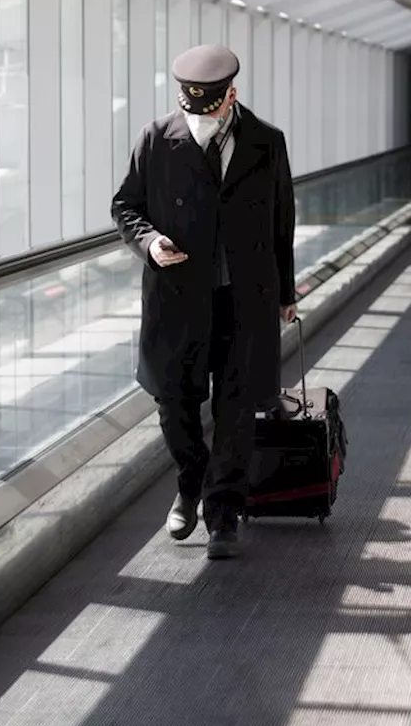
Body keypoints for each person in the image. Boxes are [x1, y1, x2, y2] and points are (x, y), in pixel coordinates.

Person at [111, 44, 297, 560]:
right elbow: (125, 205)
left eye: (209, 108)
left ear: (230, 96)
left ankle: (224, 513)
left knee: (237, 408)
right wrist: (149, 242)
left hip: (246, 298)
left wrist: (286, 292)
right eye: (190, 107)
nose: (199, 118)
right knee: (174, 401)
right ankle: (189, 482)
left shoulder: (266, 141)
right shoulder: (157, 138)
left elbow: (283, 218)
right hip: (178, 297)